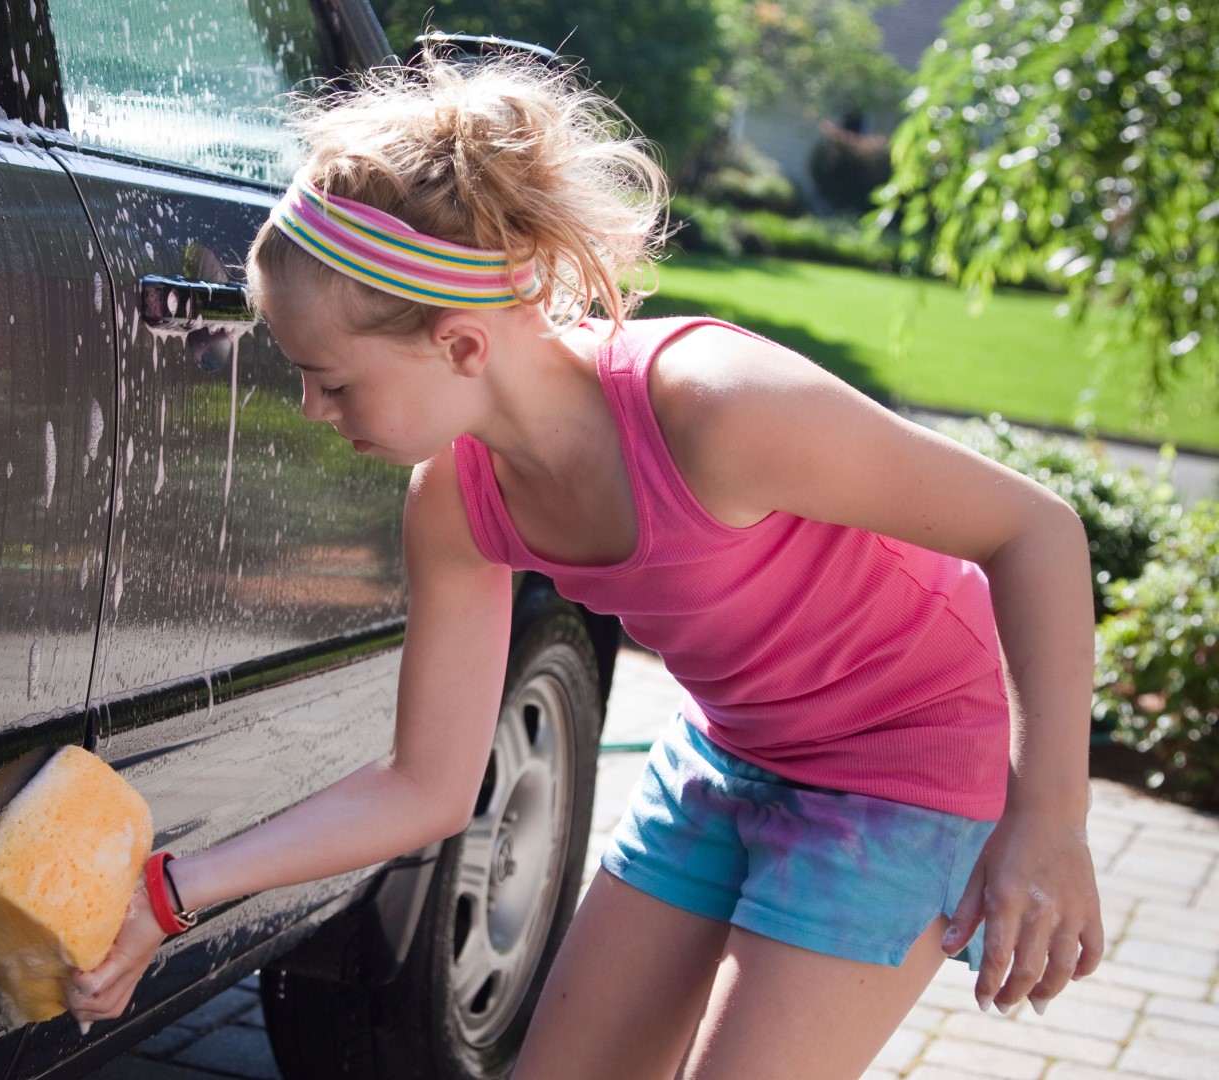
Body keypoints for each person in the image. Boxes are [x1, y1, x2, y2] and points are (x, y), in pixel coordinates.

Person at [64, 55, 1103, 1079]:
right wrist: (172, 894)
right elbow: (426, 785)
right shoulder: (456, 501)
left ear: (461, 345)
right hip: (735, 750)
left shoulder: (712, 407)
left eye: (330, 382)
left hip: (908, 756)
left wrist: (1048, 821)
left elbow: (1034, 530)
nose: (313, 412)